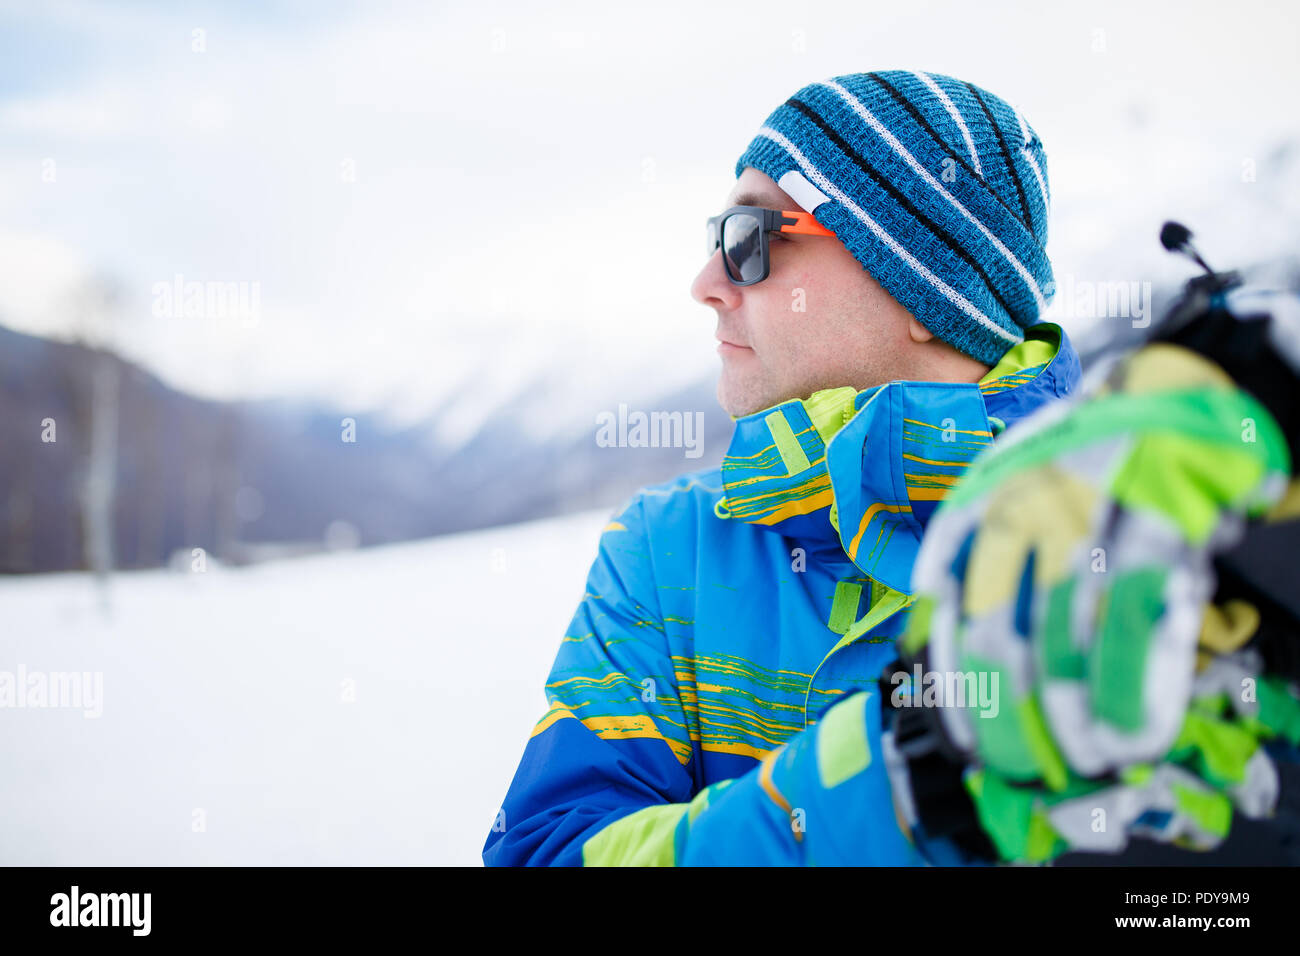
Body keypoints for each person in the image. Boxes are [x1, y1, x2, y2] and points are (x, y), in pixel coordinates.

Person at [482, 70, 1081, 866]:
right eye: (716, 240)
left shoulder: (1125, 540)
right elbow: (545, 851)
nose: (705, 285)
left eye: (752, 240)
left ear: (924, 290)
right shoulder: (672, 550)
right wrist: (881, 796)